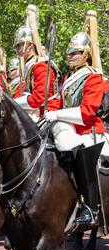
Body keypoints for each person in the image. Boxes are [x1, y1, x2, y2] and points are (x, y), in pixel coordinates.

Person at [44, 32, 109, 225]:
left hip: (90, 132)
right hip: (70, 129)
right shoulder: (69, 77)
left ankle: (90, 206)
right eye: (69, 53)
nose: (70, 56)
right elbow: (59, 103)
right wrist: (46, 114)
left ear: (86, 54)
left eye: (76, 52)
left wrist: (57, 115)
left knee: (78, 151)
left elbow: (87, 112)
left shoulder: (94, 77)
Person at [12, 25, 61, 122]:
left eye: (20, 44)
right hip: (35, 110)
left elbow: (39, 98)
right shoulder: (31, 65)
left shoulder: (41, 65)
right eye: (16, 45)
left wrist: (12, 103)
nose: (16, 48)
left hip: (48, 112)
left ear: (30, 45)